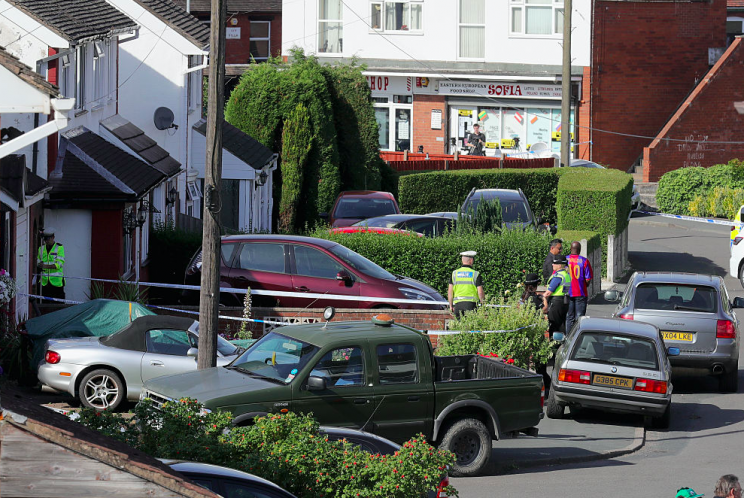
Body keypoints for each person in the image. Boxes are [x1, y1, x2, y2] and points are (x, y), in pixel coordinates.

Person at [566, 241, 594, 333]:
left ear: (570, 249)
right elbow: (588, 278)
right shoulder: (584, 261)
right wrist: (585, 285)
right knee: (579, 318)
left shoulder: (565, 260)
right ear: (580, 250)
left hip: (567, 292)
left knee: (569, 317)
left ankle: (568, 338)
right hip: (581, 293)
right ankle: (576, 336)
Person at [448, 250, 485, 318]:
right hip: (471, 305)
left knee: (459, 327)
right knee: (471, 326)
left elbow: (450, 292)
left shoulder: (454, 273)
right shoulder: (475, 274)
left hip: (458, 305)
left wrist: (451, 306)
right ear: (471, 260)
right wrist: (483, 304)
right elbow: (480, 292)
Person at [542, 254, 570, 336]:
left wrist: (541, 298)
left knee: (554, 325)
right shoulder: (566, 275)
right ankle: (561, 343)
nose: (552, 264)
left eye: (554, 263)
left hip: (556, 302)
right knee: (561, 324)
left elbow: (548, 292)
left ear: (559, 265)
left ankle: (554, 345)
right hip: (564, 301)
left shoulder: (558, 276)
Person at [37, 227, 65, 300]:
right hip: (44, 282)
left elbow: (59, 265)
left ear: (53, 237)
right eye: (45, 239)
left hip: (56, 282)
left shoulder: (59, 248)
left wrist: (45, 266)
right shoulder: (41, 248)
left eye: (48, 239)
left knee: (57, 304)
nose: (46, 241)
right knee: (45, 303)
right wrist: (39, 264)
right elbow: (38, 262)